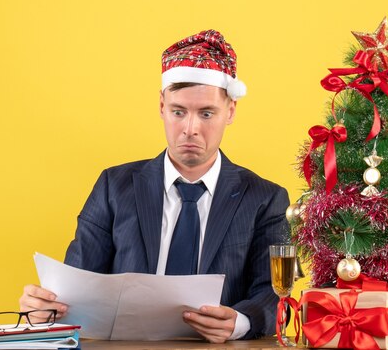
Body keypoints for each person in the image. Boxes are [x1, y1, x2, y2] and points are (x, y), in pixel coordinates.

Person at [19, 29, 290, 343]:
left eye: (206, 113)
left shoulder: (266, 199)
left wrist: (240, 322)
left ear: (230, 111)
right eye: (178, 112)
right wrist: (45, 307)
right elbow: (76, 284)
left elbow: (273, 294)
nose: (190, 129)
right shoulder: (113, 186)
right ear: (161, 106)